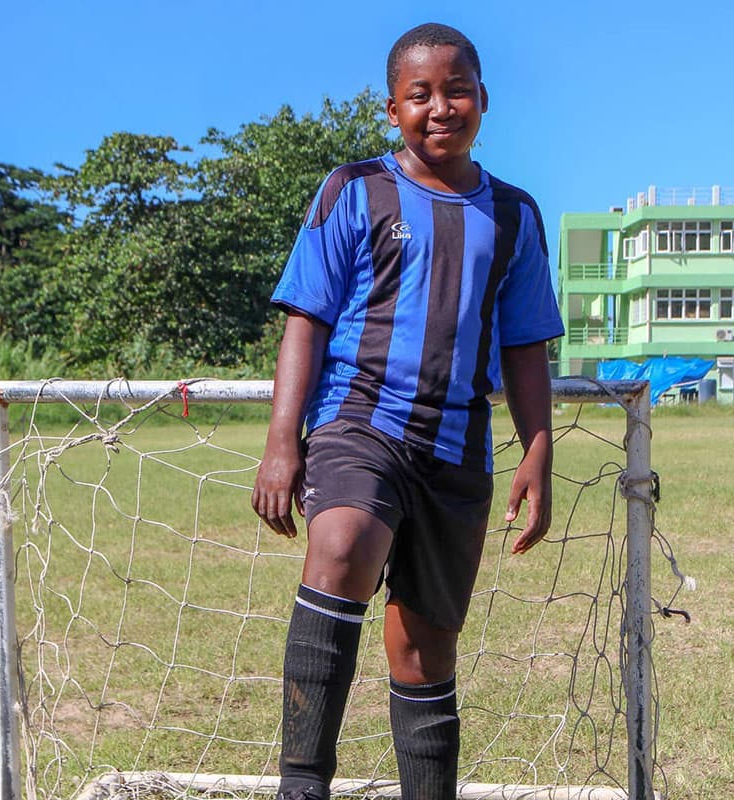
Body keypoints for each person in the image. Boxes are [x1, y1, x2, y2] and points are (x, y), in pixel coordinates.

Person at [251, 21, 564, 800]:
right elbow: (307, 320)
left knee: (425, 650)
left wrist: (537, 448)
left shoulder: (516, 217)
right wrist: (282, 441)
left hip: (457, 448)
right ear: (393, 109)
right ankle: (301, 784)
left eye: (456, 89)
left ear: (483, 99)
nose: (440, 106)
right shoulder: (353, 190)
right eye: (419, 94)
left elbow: (525, 345)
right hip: (361, 421)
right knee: (344, 540)